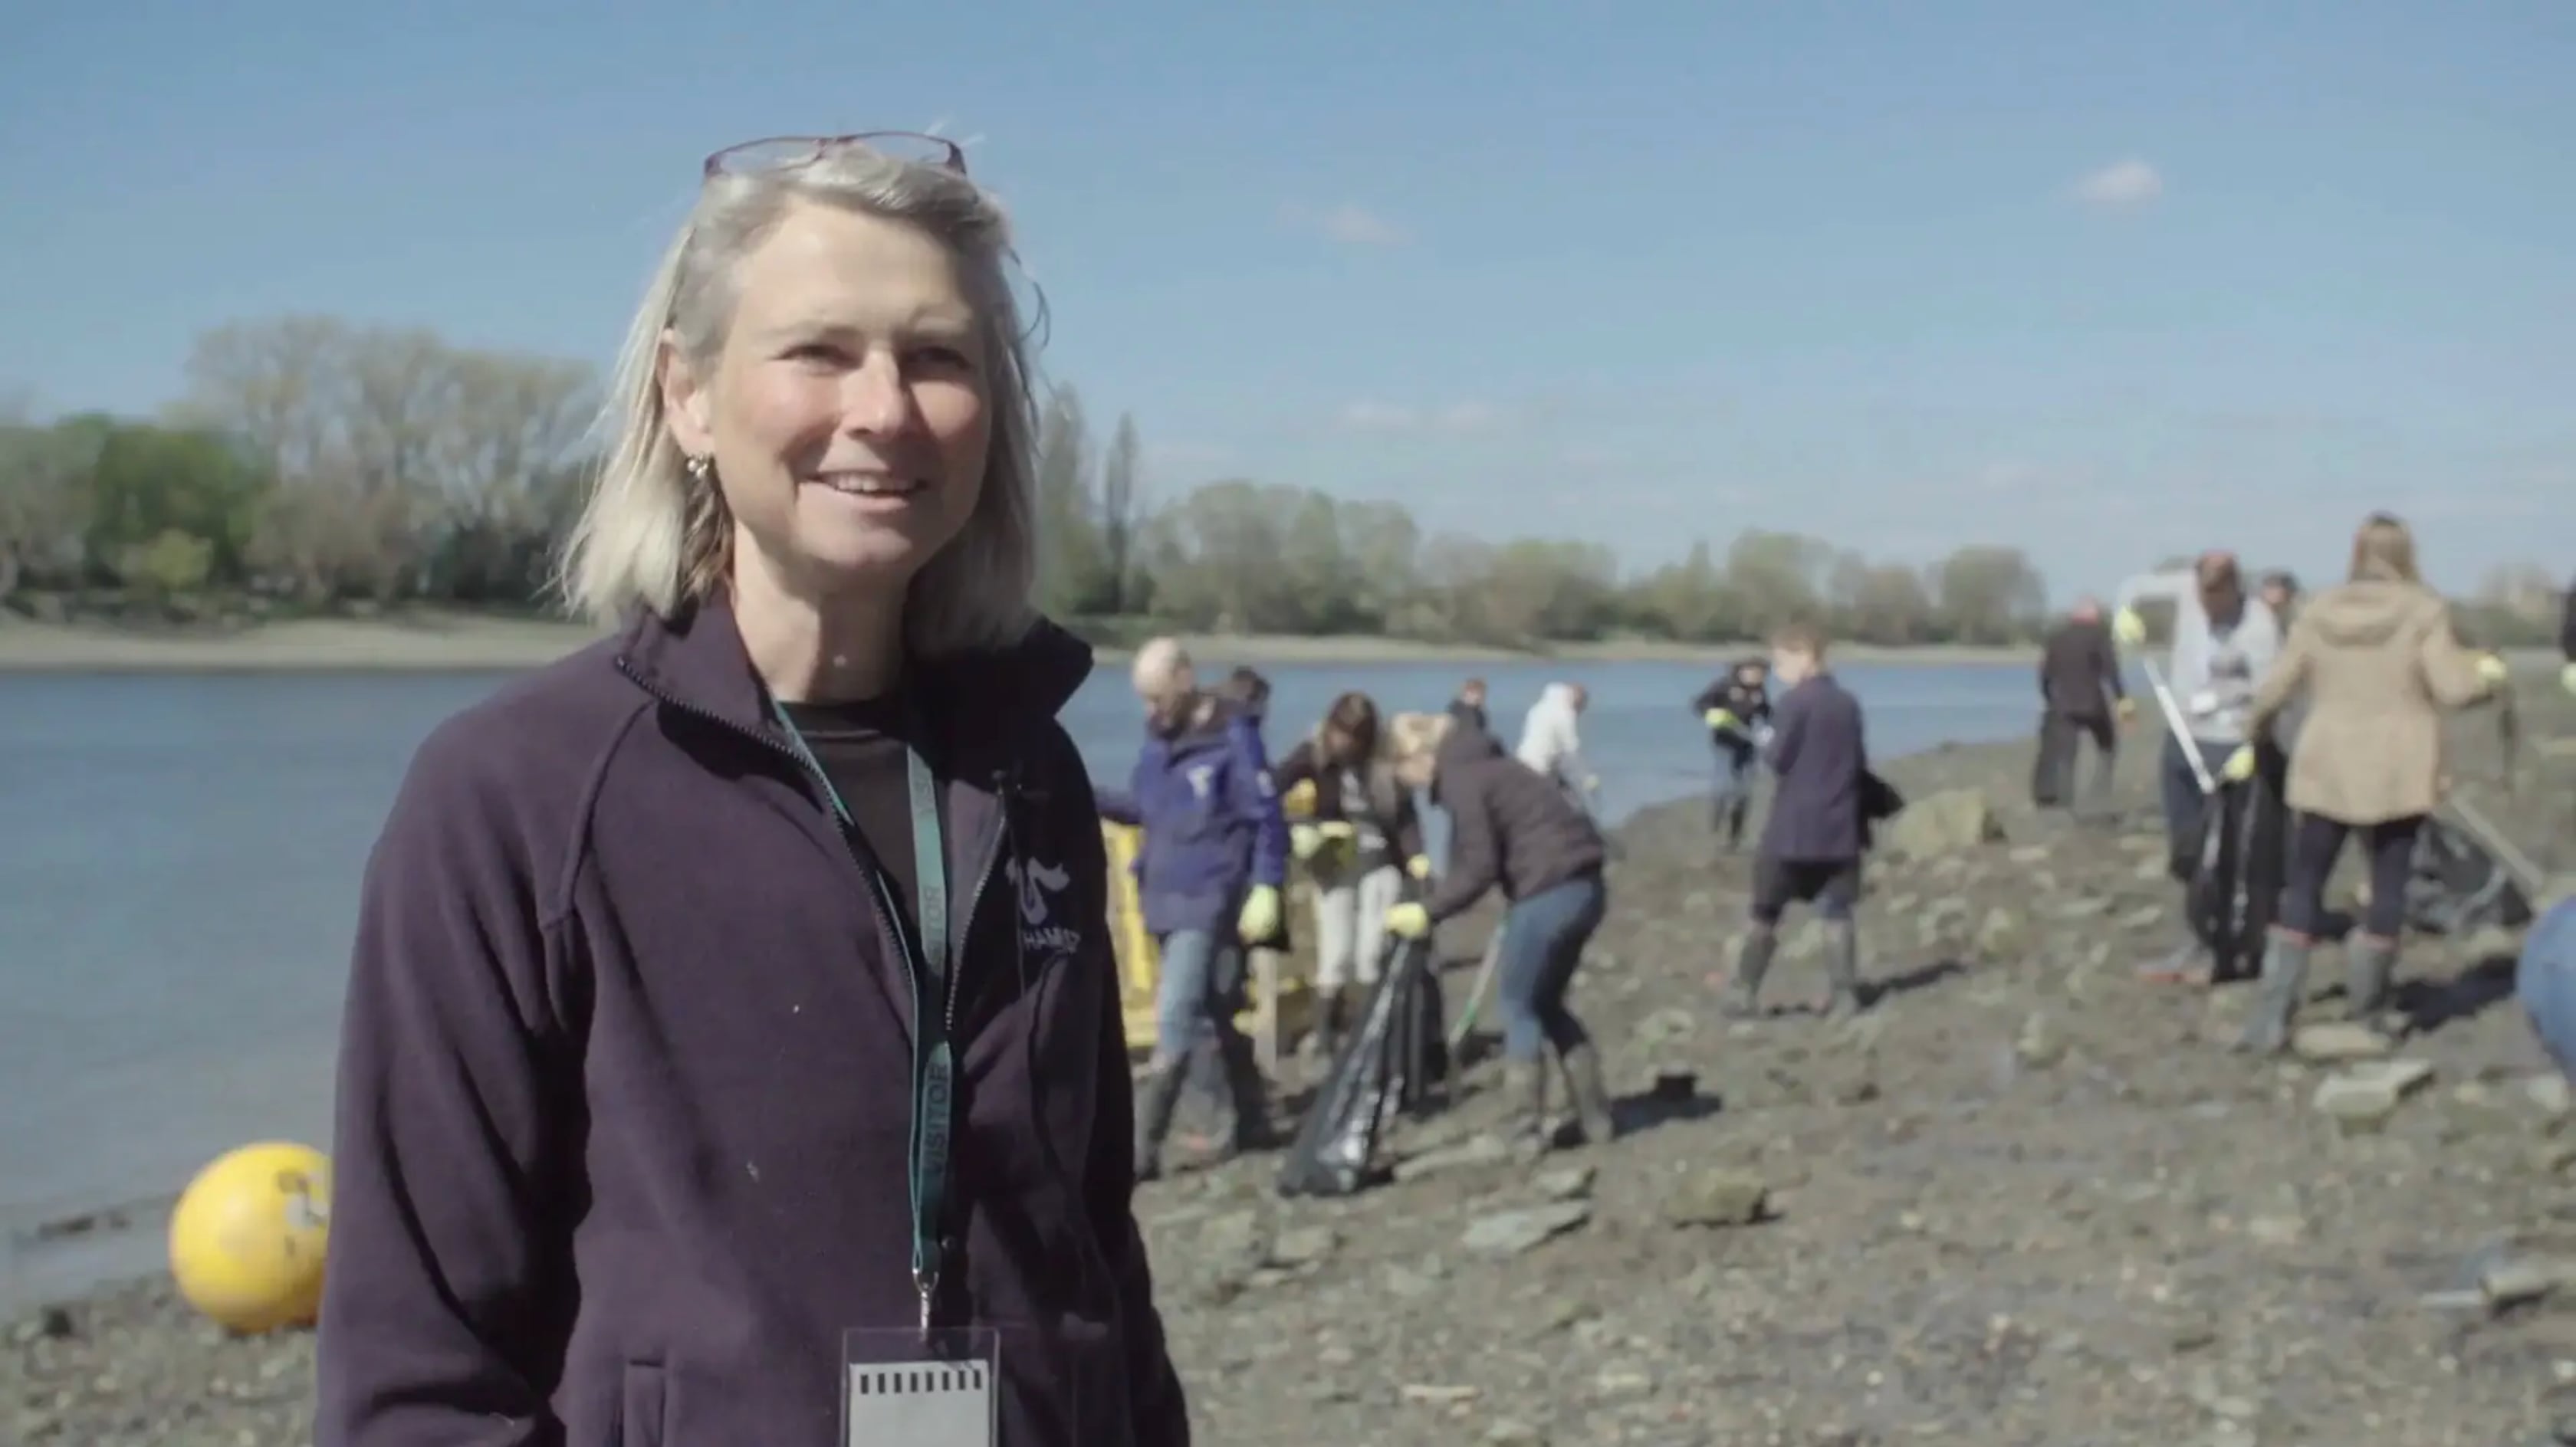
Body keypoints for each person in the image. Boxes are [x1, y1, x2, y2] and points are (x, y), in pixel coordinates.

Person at [314, 133, 1186, 1446]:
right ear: (689, 397)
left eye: (938, 356)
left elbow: (1092, 1246)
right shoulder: (516, 799)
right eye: (819, 350)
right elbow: (415, 1377)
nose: (885, 409)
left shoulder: (1029, 772)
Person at [2233, 513, 2510, 1052]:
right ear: (2406, 552)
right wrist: (2489, 677)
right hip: (2396, 765)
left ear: (2356, 552)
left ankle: (2272, 1016)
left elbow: (2276, 686)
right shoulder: (2423, 611)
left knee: (2306, 883)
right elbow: (2452, 688)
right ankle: (2369, 1013)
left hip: (2327, 762)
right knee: (2387, 886)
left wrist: (2253, 735)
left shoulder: (2317, 610)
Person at [1382, 711, 1615, 1153]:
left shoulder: (1462, 779)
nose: (1409, 784)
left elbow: (1478, 867)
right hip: (1586, 887)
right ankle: (1596, 1117)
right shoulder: (1493, 765)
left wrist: (1428, 912)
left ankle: (1523, 1128)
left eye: (1403, 772)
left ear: (1418, 756)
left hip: (1549, 890)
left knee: (1518, 1004)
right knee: (1547, 1003)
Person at [1097, 637, 1287, 1179]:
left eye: (1157, 696)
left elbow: (1266, 818)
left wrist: (1267, 886)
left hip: (1210, 896)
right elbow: (1145, 811)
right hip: (1161, 896)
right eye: (1145, 700)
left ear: (1184, 677)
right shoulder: (1157, 744)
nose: (1151, 710)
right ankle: (1250, 1119)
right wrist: (1081, 794)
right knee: (1215, 1012)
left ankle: (1142, 1147)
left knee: (1176, 1013)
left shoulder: (1234, 736)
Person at [2111, 550, 2286, 984]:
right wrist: (2124, 616)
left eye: (2217, 599)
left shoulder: (2259, 624)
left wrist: (2252, 737)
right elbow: (2133, 588)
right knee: (2187, 850)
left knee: (2228, 855)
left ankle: (2226, 947)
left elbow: (2271, 693)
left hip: (2232, 746)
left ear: (2234, 588)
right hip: (2182, 738)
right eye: (2202, 596)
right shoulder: (2184, 592)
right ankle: (2193, 938)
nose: (2208, 607)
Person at [1720, 622, 1874, 1021]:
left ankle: (1742, 995)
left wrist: (1764, 738)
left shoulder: (1795, 702)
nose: (1777, 670)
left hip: (1793, 827)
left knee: (1765, 912)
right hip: (1841, 825)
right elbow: (1857, 761)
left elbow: (1776, 759)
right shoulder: (1848, 702)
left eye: (1781, 660)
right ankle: (1845, 997)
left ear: (1806, 655)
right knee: (1837, 914)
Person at [1270, 691, 1431, 1061]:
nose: (1346, 744)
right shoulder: (1312, 754)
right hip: (1334, 862)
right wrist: (1301, 828)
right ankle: (1326, 1039)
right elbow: (1271, 790)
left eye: (1356, 737)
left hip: (1381, 864)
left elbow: (1405, 820)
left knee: (1371, 953)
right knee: (1335, 952)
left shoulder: (1385, 766)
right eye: (1342, 734)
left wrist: (1418, 859)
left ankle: (1371, 1032)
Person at [2032, 598, 2133, 815]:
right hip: (2093, 704)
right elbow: (2111, 671)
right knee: (2107, 746)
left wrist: (2048, 697)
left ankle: (2066, 803)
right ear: (2093, 617)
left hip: (2064, 704)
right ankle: (2099, 794)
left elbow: (2045, 673)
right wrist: (2122, 700)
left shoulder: (2057, 637)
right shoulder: (2099, 636)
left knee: (2067, 755)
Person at [1692, 657, 1772, 849]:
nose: (1756, 676)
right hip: (1724, 743)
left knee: (1744, 793)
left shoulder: (1759, 691)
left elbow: (1767, 713)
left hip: (1748, 744)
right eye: (1752, 672)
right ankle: (1715, 828)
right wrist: (1711, 714)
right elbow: (1699, 704)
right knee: (1723, 787)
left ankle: (1735, 836)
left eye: (1760, 673)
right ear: (1741, 671)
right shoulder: (1724, 686)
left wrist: (1769, 731)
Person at [1516, 681, 1598, 813]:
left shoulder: (1542, 705)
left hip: (1523, 762)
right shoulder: (1565, 714)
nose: (1579, 715)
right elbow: (1572, 751)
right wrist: (1587, 778)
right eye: (1581, 710)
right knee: (1571, 807)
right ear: (1578, 703)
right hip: (1540, 769)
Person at [1448, 676, 1493, 740]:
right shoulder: (1457, 710)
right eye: (1479, 695)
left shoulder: (1479, 713)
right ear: (1468, 693)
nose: (1482, 699)